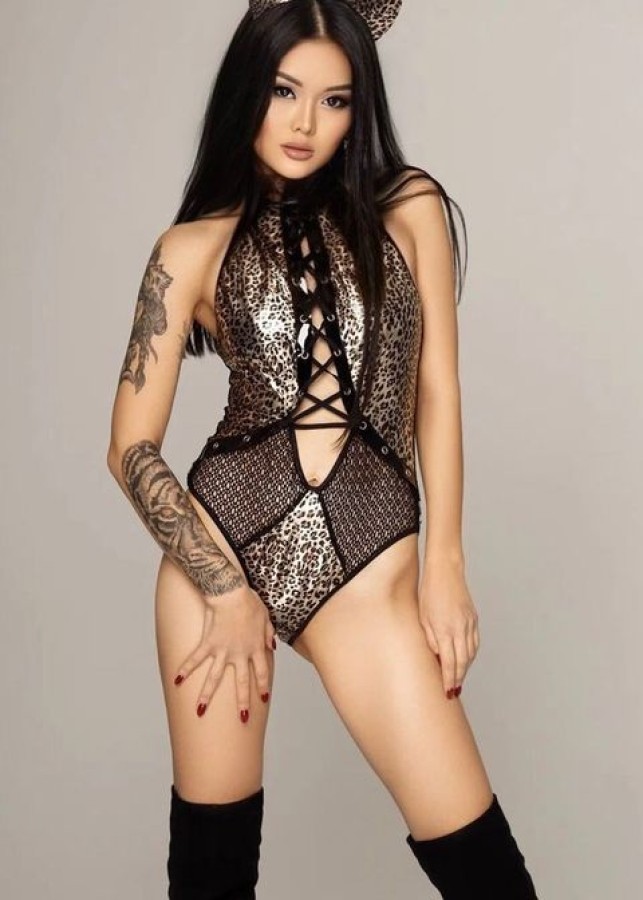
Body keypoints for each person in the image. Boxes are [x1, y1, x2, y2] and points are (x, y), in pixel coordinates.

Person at [106, 1, 539, 897]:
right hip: (219, 550)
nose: (305, 122)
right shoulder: (189, 248)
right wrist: (224, 591)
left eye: (334, 100)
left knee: (488, 879)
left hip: (370, 561)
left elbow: (437, 390)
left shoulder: (407, 205)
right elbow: (130, 447)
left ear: (358, 108)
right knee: (213, 878)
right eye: (283, 91)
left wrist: (445, 564)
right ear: (246, 90)